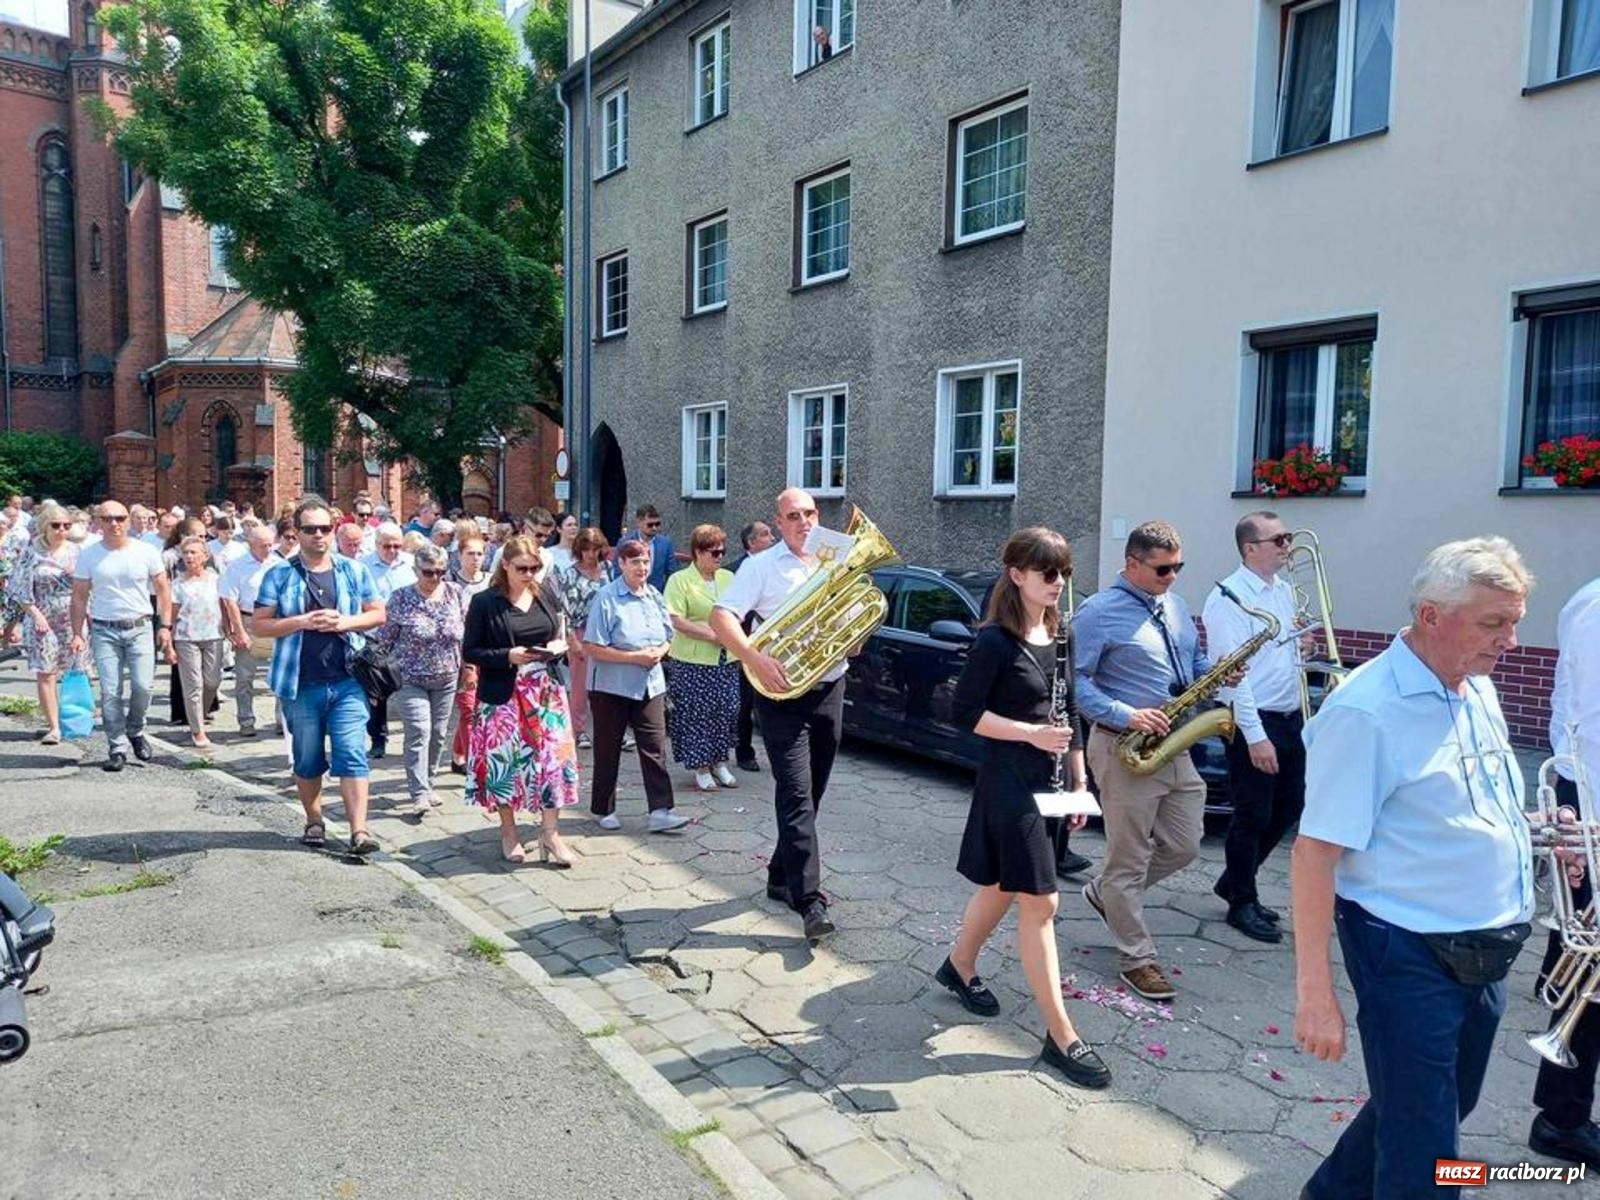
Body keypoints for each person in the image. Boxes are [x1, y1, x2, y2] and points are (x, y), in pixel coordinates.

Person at [1292, 537, 1542, 1200]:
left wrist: (1540, 834)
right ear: (1432, 616)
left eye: (1515, 621)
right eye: (1494, 622)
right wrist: (1315, 994)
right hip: (1407, 952)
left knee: (1437, 1107)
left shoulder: (1474, 684)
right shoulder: (1366, 712)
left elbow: (1468, 804)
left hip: (1486, 947)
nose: (1510, 641)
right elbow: (1314, 854)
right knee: (1428, 1156)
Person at [938, 528, 1111, 1089]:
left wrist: (1080, 775)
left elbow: (1069, 709)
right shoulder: (994, 641)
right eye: (1047, 573)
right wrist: (1030, 734)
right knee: (1043, 900)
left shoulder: (1061, 633)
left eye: (1062, 572)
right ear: (1017, 575)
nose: (1057, 582)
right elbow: (965, 713)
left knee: (1007, 884)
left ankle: (959, 966)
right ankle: (1061, 1035)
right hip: (1009, 779)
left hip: (1051, 779)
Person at [1074, 520, 1217, 1001]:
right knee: (1128, 858)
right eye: (1162, 569)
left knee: (1185, 845)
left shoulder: (1175, 606)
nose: (1172, 576)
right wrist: (1127, 713)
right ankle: (1137, 958)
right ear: (1131, 563)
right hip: (1124, 746)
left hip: (1175, 744)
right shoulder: (1097, 612)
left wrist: (1215, 673)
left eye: (1178, 567)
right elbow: (1076, 682)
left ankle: (1107, 893)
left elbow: (1191, 665)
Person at [709, 488, 848, 943]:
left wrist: (856, 632)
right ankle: (809, 900)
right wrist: (752, 656)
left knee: (815, 792)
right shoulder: (760, 566)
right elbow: (721, 617)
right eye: (793, 516)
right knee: (796, 793)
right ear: (779, 520)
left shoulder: (835, 555)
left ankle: (778, 876)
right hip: (781, 693)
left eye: (810, 513)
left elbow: (853, 608)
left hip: (829, 685)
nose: (804, 522)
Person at [252, 499, 386, 855]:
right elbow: (259, 624)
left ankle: (359, 831)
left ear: (334, 530)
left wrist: (345, 621)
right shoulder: (279, 574)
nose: (318, 535)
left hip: (347, 680)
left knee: (353, 752)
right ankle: (314, 819)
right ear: (296, 532)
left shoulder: (353, 571)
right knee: (308, 757)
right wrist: (301, 621)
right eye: (309, 529)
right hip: (300, 682)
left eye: (324, 528)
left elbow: (377, 614)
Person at [1202, 511, 1305, 944]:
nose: (1287, 545)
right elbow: (1233, 674)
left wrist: (1303, 645)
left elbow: (1278, 653)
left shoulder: (1282, 591)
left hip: (1289, 715)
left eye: (1287, 537)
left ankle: (1234, 880)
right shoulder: (1229, 598)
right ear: (1251, 548)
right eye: (1278, 539)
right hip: (1254, 719)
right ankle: (1240, 901)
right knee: (1252, 815)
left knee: (1290, 807)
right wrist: (1256, 735)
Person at [1528, 570, 1600, 1170]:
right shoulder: (1596, 606)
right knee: (1589, 978)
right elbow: (1588, 729)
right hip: (1596, 805)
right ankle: (1561, 1119)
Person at [461, 534, 579, 865]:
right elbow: (470, 650)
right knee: (505, 764)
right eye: (523, 568)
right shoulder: (485, 602)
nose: (530, 574)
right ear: (506, 566)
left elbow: (557, 634)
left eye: (534, 568)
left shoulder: (546, 596)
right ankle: (509, 831)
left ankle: (551, 834)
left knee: (552, 761)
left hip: (545, 692)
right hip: (504, 696)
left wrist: (556, 650)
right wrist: (506, 656)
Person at [583, 539, 689, 832]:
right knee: (609, 748)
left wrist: (662, 650)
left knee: (655, 746)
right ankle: (604, 808)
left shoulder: (654, 594)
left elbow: (669, 633)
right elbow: (592, 646)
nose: (642, 567)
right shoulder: (607, 597)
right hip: (611, 687)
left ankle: (661, 810)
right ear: (621, 564)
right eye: (635, 562)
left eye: (645, 561)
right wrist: (634, 657)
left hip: (650, 685)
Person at [68, 501, 173, 771]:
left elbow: (163, 590)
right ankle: (117, 747)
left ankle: (136, 730)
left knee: (143, 686)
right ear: (98, 523)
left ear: (127, 521)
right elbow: (79, 597)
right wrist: (77, 633)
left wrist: (165, 626)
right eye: (107, 519)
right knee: (111, 691)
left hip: (140, 626)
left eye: (119, 518)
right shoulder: (90, 555)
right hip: (104, 628)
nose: (114, 523)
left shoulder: (146, 551)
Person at [374, 544, 465, 817]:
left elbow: (466, 631)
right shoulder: (401, 598)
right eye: (429, 572)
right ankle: (418, 792)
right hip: (410, 677)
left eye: (441, 571)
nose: (435, 577)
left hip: (447, 676)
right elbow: (385, 639)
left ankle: (429, 780)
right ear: (416, 570)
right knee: (419, 730)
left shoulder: (455, 593)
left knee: (438, 734)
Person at [664, 524, 741, 792]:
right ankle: (701, 767)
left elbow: (739, 610)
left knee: (726, 710)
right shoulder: (679, 580)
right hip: (693, 661)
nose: (720, 556)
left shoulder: (728, 578)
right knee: (698, 713)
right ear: (698, 552)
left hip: (726, 659)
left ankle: (720, 762)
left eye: (723, 551)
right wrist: (712, 634)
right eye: (714, 552)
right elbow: (675, 619)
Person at [5, 501, 86, 744]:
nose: (62, 530)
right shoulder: (31, 552)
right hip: (42, 616)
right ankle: (53, 726)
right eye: (56, 525)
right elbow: (18, 589)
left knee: (75, 671)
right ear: (45, 527)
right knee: (46, 672)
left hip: (73, 616)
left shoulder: (77, 551)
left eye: (66, 525)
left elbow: (88, 585)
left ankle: (74, 720)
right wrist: (36, 616)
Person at [219, 524, 284, 738]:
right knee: (245, 676)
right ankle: (246, 719)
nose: (268, 549)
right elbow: (230, 601)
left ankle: (281, 720)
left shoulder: (279, 564)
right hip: (248, 619)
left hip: (275, 621)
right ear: (251, 545)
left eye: (270, 544)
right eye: (263, 546)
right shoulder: (237, 567)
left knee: (281, 673)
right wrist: (239, 632)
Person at [359, 522, 416, 760]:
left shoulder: (411, 564)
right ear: (376, 544)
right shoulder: (363, 566)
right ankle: (378, 739)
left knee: (409, 688)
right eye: (387, 546)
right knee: (376, 692)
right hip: (376, 637)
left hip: (407, 639)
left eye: (396, 546)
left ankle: (414, 738)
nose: (392, 551)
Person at [555, 527, 613, 751]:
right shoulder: (569, 574)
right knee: (581, 684)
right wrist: (573, 642)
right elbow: (564, 612)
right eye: (586, 549)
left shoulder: (608, 568)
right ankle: (579, 730)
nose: (590, 554)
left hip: (605, 632)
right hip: (580, 631)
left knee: (606, 683)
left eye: (595, 549)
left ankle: (606, 727)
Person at [168, 535, 225, 749]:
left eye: (194, 552)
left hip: (213, 635)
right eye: (186, 553)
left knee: (212, 681)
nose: (189, 557)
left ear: (205, 556)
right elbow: (171, 614)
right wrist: (168, 639)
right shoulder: (178, 584)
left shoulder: (216, 579)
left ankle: (198, 714)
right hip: (186, 637)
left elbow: (226, 605)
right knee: (194, 684)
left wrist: (231, 629)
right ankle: (197, 729)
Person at [444, 532, 493, 773]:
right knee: (468, 707)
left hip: (490, 651)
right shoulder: (450, 584)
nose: (475, 558)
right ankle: (475, 762)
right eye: (470, 553)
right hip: (460, 653)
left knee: (479, 707)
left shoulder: (492, 581)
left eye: (479, 553)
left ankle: (458, 754)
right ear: (459, 556)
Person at [731, 520, 776, 772]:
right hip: (746, 647)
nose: (772, 538)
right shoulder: (735, 570)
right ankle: (744, 753)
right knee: (746, 703)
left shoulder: (776, 568)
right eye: (765, 534)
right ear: (751, 542)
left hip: (774, 647)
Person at [619, 504, 676, 593]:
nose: (654, 528)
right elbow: (618, 571)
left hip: (656, 596)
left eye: (657, 524)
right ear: (639, 522)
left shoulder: (665, 543)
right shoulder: (625, 543)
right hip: (629, 594)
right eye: (650, 525)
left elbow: (672, 572)